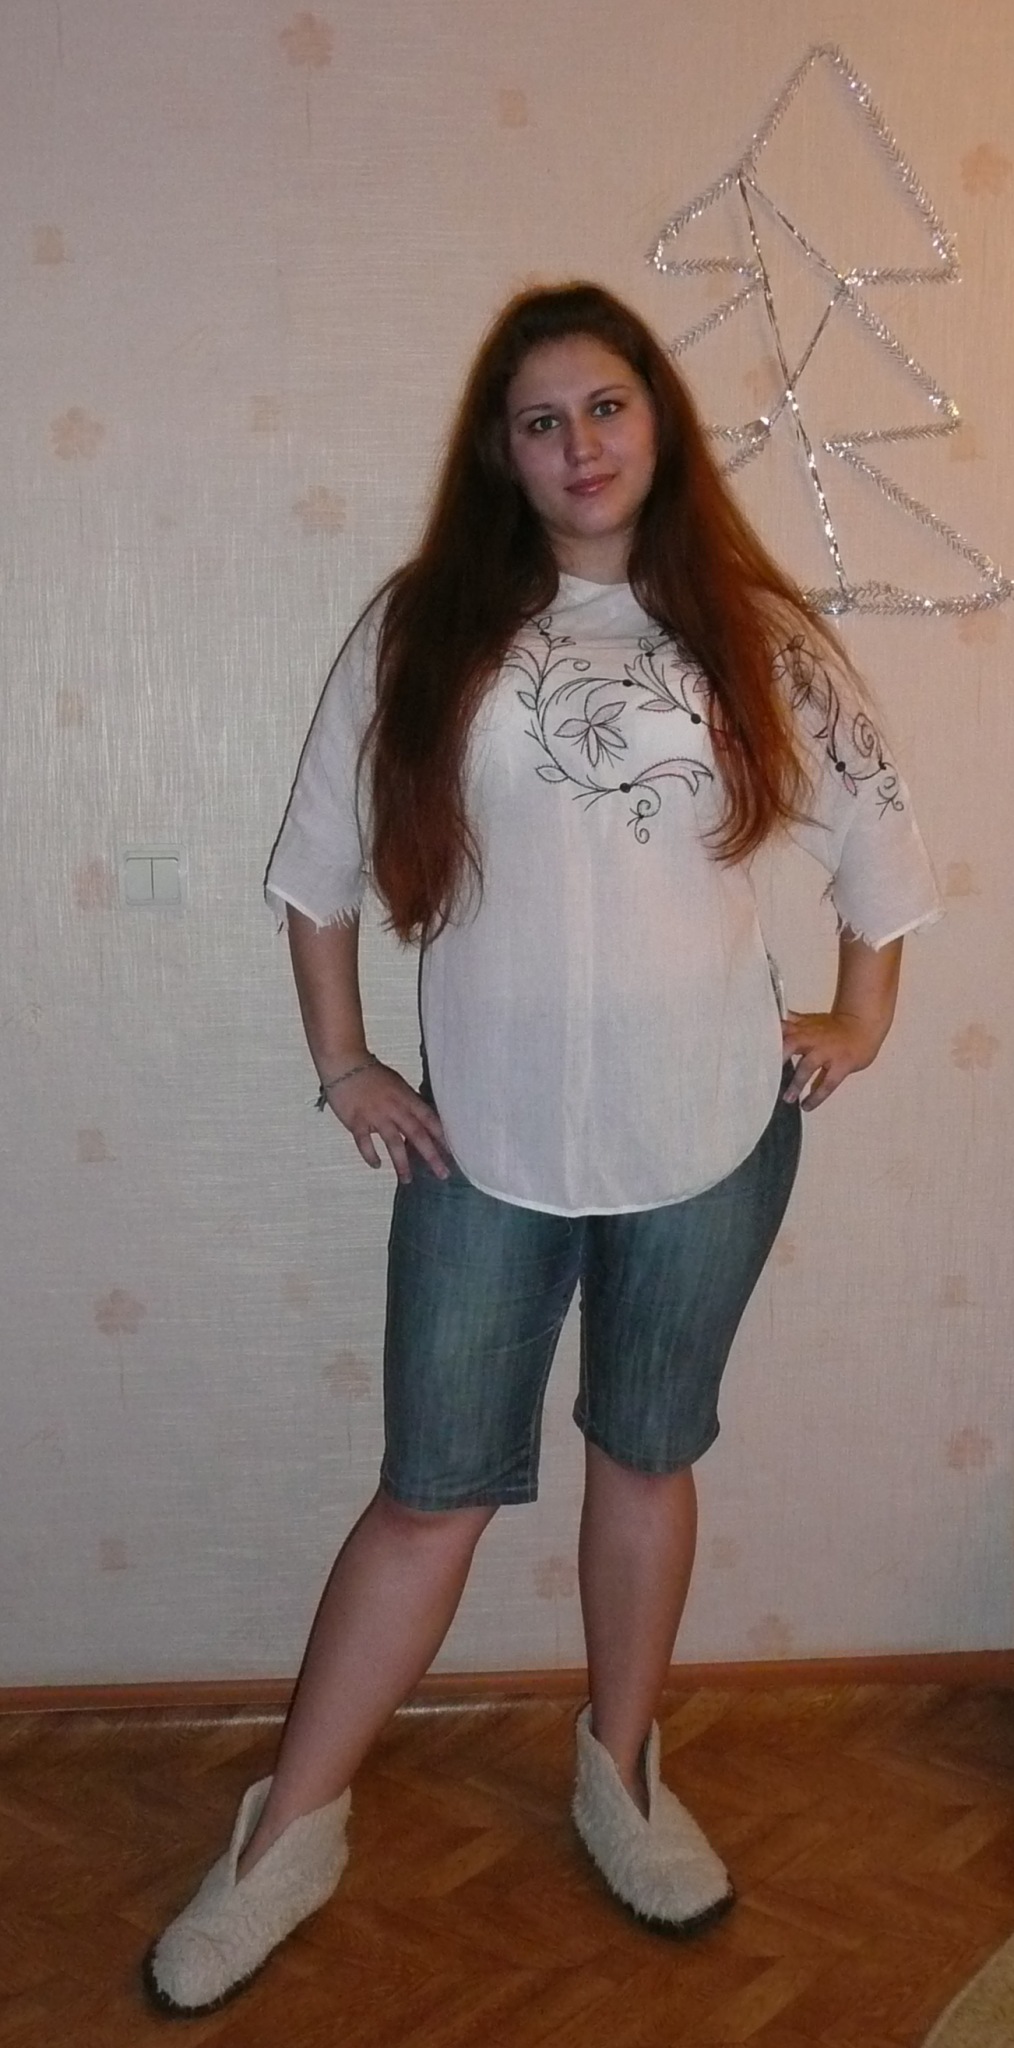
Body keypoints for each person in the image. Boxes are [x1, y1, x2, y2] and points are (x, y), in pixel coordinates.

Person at [144, 281, 940, 2016]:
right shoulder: (428, 629)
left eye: (604, 406)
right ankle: (288, 1831)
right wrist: (345, 1063)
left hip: (711, 1135)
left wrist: (860, 1017)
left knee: (645, 1456)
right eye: (539, 420)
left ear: (656, 420)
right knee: (430, 1491)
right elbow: (315, 866)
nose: (577, 444)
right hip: (481, 1148)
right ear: (500, 454)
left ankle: (621, 1767)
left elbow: (879, 849)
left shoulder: (754, 637)